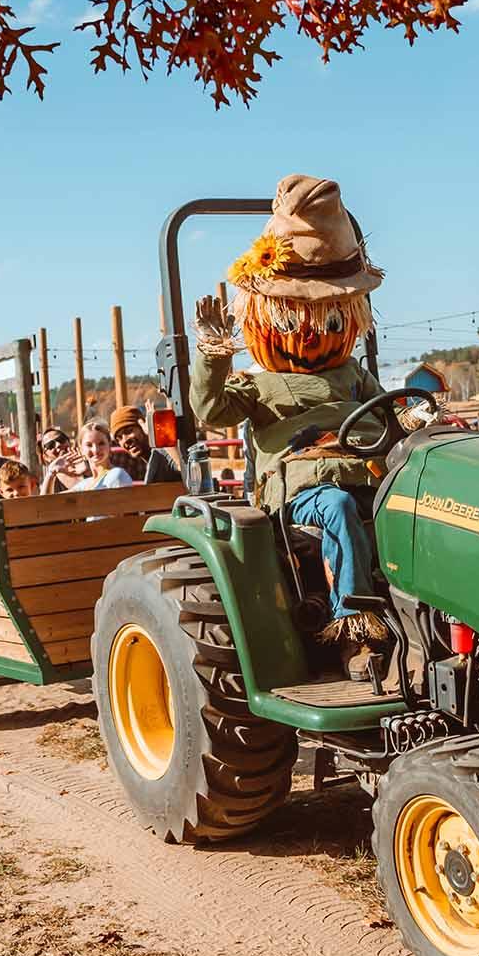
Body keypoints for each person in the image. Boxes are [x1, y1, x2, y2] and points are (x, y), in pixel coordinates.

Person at [191, 174, 389, 680]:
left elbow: (388, 411)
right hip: (303, 492)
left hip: (371, 476)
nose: (312, 333)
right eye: (297, 319)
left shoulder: (353, 375)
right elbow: (212, 410)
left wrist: (417, 419)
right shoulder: (258, 385)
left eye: (328, 318)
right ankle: (355, 629)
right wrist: (213, 355)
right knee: (338, 508)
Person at [45, 422, 135, 493]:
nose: (95, 450)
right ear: (81, 449)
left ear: (109, 445)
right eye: (89, 445)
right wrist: (51, 473)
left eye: (101, 444)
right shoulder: (87, 484)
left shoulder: (116, 475)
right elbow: (44, 506)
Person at [109, 406, 183, 484]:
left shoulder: (163, 453)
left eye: (129, 431)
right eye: (119, 438)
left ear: (143, 427)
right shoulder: (138, 464)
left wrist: (156, 433)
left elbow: (184, 468)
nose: (125, 440)